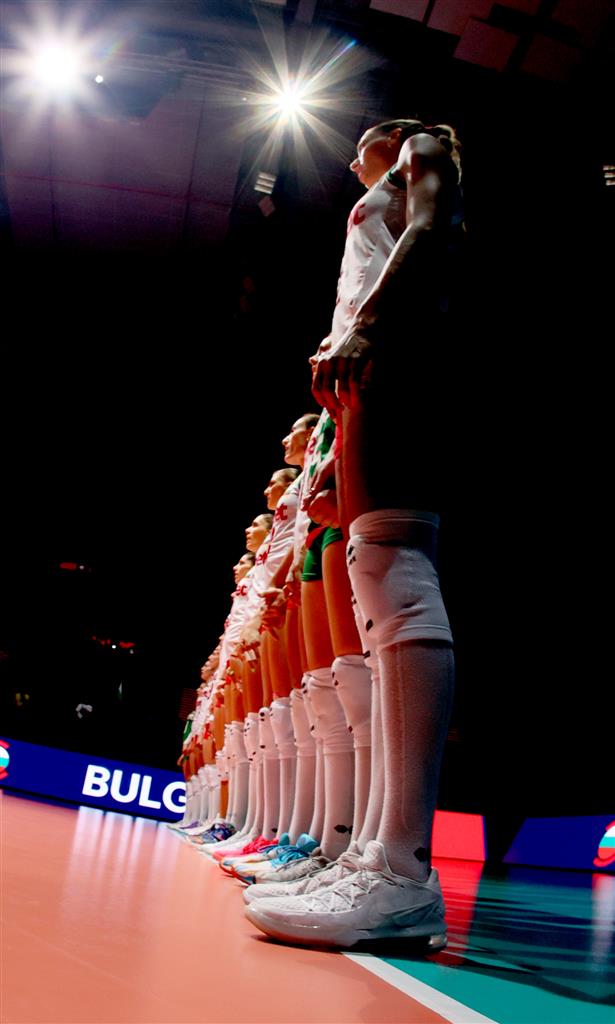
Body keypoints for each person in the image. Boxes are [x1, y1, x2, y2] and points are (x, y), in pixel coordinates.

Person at [245, 117, 462, 949]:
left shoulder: (423, 151)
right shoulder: (383, 181)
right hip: (377, 358)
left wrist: (366, 324)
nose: (352, 151)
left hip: (401, 348)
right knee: (374, 564)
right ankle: (373, 853)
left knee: (394, 570)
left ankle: (400, 870)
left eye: (367, 137)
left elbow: (430, 228)